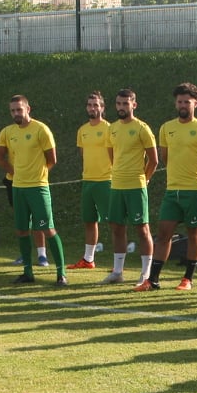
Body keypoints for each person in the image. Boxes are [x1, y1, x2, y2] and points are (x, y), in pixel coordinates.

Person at [144, 83, 197, 290]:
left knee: (194, 234)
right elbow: (165, 157)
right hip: (172, 190)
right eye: (180, 101)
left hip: (194, 190)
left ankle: (188, 279)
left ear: (196, 104)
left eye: (187, 101)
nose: (183, 105)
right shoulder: (167, 128)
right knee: (164, 233)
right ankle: (153, 280)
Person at [0, 94, 68, 285]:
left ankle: (61, 273)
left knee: (47, 228)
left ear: (28, 109)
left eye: (19, 109)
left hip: (38, 187)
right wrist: (15, 172)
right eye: (12, 110)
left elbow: (52, 159)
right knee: (21, 230)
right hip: (18, 187)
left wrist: (38, 174)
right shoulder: (7, 132)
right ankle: (28, 272)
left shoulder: (41, 129)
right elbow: (0, 156)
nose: (16, 113)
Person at [100, 88, 157, 284]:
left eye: (126, 103)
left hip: (136, 186)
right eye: (118, 104)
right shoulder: (112, 128)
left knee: (142, 229)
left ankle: (145, 273)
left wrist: (145, 179)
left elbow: (154, 160)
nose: (122, 107)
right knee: (116, 227)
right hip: (117, 186)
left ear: (134, 105)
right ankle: (117, 272)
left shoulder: (142, 128)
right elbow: (112, 155)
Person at [72, 91, 112, 269]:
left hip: (106, 181)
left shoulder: (110, 128)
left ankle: (118, 262)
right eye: (89, 105)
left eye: (96, 105)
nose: (92, 108)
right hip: (88, 181)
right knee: (89, 220)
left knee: (114, 222)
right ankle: (88, 259)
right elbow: (83, 154)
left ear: (102, 108)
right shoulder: (82, 130)